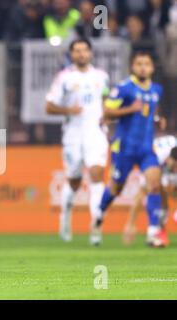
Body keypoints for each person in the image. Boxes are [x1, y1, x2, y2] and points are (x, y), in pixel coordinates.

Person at [96, 51, 167, 247]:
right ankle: (100, 212)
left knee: (154, 183)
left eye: (146, 64)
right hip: (125, 148)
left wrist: (157, 119)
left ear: (152, 68)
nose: (142, 67)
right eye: (138, 64)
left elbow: (149, 111)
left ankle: (153, 232)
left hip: (146, 148)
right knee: (116, 187)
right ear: (132, 67)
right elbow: (107, 112)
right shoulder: (124, 88)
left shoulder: (157, 90)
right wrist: (129, 109)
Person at [45, 39, 110, 243]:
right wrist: (68, 110)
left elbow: (107, 101)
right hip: (73, 133)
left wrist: (107, 115)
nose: (81, 54)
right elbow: (49, 107)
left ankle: (96, 227)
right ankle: (65, 218)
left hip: (96, 132)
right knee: (74, 181)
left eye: (85, 50)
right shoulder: (64, 78)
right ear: (71, 55)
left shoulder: (102, 77)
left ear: (90, 53)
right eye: (77, 51)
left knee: (97, 174)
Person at [123, 135, 177, 246]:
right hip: (151, 157)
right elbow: (140, 195)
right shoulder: (153, 159)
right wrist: (131, 224)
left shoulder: (171, 161)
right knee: (155, 190)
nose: (175, 170)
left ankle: (158, 231)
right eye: (175, 166)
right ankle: (156, 231)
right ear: (170, 159)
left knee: (166, 191)